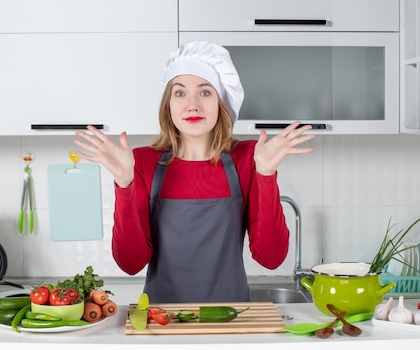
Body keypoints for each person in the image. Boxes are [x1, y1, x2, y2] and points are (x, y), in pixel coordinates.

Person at [73, 41, 314, 303]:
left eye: (205, 93)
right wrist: (124, 183)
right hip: (161, 322)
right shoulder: (141, 162)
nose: (192, 105)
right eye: (180, 93)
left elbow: (271, 258)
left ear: (222, 103)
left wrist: (266, 175)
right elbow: (130, 263)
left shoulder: (248, 158)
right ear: (168, 104)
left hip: (231, 319)